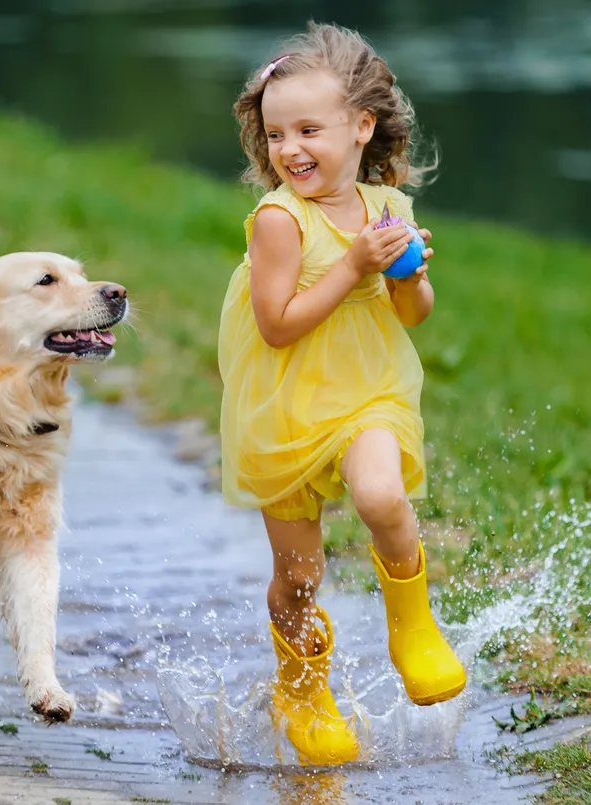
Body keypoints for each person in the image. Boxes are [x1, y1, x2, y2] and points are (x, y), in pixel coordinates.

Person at [217, 21, 466, 766]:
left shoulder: (388, 208)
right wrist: (356, 263)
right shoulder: (277, 221)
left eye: (309, 130)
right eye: (276, 132)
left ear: (362, 127)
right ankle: (300, 688)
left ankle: (412, 626)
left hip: (368, 392)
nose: (290, 149)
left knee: (384, 497)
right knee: (299, 577)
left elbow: (412, 316)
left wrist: (410, 278)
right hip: (285, 404)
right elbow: (279, 324)